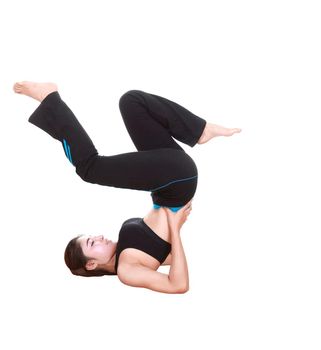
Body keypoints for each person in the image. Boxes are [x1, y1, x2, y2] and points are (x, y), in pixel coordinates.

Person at [13, 81, 241, 294]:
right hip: (176, 181)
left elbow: (165, 255)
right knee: (89, 168)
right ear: (92, 264)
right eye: (92, 243)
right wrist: (174, 227)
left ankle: (199, 130)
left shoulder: (128, 252)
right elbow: (178, 285)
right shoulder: (126, 271)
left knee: (132, 102)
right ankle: (49, 98)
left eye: (92, 237)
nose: (99, 236)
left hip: (170, 179)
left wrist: (171, 230)